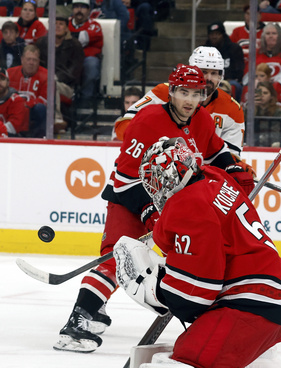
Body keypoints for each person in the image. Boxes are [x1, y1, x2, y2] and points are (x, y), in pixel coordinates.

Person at [112, 136, 281, 368]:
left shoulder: (186, 204)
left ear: (171, 176)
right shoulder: (213, 177)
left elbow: (193, 296)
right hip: (270, 302)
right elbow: (206, 245)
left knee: (186, 360)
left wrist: (149, 287)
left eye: (156, 179)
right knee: (215, 351)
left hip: (247, 304)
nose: (154, 188)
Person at [54, 64, 254, 353]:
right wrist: (147, 209)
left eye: (195, 94)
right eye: (183, 92)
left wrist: (233, 167)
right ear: (171, 92)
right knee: (116, 257)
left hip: (169, 203)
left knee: (187, 259)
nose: (189, 100)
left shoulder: (203, 120)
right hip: (128, 198)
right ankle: (77, 322)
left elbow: (216, 150)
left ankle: (200, 320)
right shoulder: (147, 121)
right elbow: (124, 177)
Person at [114, 46, 245, 158]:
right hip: (158, 170)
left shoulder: (233, 109)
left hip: (202, 175)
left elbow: (232, 157)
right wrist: (157, 144)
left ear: (221, 76)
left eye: (214, 73)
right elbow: (122, 128)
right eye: (203, 72)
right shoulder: (163, 92)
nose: (208, 78)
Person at [36, 15, 84, 133]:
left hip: (66, 86)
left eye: (61, 24)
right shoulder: (41, 43)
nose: (57, 26)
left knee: (52, 84)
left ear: (67, 28)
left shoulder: (75, 45)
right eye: (55, 23)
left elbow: (75, 72)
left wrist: (54, 77)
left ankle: (57, 118)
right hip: (43, 81)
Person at [243, 23, 281, 92]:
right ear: (263, 37)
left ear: (280, 36)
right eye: (268, 34)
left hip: (279, 87)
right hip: (257, 85)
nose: (271, 36)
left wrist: (271, 82)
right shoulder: (255, 53)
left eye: (274, 33)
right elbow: (248, 73)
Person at [7, 44, 47, 137]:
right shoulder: (9, 73)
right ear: (22, 60)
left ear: (38, 62)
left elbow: (45, 99)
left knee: (41, 108)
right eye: (28, 59)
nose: (31, 62)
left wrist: (26, 105)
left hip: (31, 111)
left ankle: (38, 138)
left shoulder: (46, 75)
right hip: (11, 110)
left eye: (34, 60)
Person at [69, 0, 103, 98]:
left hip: (87, 58)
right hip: (67, 57)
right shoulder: (65, 23)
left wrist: (67, 36)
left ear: (89, 10)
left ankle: (86, 98)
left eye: (83, 7)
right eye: (76, 7)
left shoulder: (95, 25)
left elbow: (82, 39)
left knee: (91, 64)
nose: (79, 10)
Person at [205, 21, 244, 102]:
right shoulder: (203, 50)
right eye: (212, 34)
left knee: (233, 86)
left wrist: (224, 79)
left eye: (217, 34)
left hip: (230, 80)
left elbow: (239, 71)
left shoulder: (234, 49)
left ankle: (234, 110)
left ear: (223, 35)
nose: (214, 37)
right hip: (209, 80)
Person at [245, 81, 281, 147]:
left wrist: (258, 138)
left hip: (270, 145)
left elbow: (276, 135)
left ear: (271, 96)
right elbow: (244, 128)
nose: (262, 95)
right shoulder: (250, 109)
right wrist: (252, 109)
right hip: (251, 144)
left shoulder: (278, 111)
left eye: (265, 93)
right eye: (260, 93)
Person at [0, 66, 28, 137]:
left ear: (8, 82)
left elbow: (14, 127)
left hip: (13, 140)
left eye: (2, 79)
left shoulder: (16, 100)